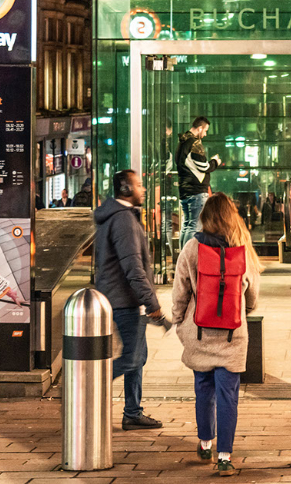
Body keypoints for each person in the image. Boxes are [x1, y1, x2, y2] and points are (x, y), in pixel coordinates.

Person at [171, 193, 262, 476]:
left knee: (203, 390)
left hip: (199, 334)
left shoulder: (192, 247)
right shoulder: (243, 249)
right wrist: (241, 310)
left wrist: (177, 321)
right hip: (232, 336)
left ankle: (204, 442)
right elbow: (252, 296)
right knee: (228, 395)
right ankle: (225, 456)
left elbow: (180, 290)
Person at [92, 169, 169, 430]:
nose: (143, 189)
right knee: (133, 358)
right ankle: (87, 386)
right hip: (123, 300)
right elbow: (133, 267)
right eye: (138, 185)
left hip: (120, 297)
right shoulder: (123, 220)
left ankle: (133, 412)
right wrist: (152, 304)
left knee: (138, 357)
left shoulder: (117, 216)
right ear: (126, 188)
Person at [177, 117, 222, 247]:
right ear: (200, 128)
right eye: (205, 130)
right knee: (194, 227)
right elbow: (204, 167)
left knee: (186, 225)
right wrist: (215, 162)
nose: (205, 134)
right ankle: (188, 258)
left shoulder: (182, 142)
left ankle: (181, 258)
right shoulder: (194, 143)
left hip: (184, 190)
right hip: (196, 190)